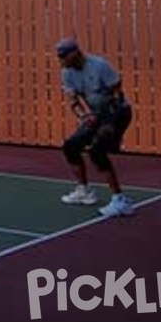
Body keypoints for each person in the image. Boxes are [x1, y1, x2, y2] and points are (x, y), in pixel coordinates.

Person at [56, 38, 133, 217]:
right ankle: (84, 191)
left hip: (118, 112)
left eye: (64, 57)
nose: (61, 61)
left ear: (75, 53)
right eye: (59, 57)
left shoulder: (99, 65)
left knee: (97, 151)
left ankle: (120, 201)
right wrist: (84, 116)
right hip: (96, 115)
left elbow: (117, 93)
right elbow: (73, 100)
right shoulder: (67, 72)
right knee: (71, 146)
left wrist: (110, 123)